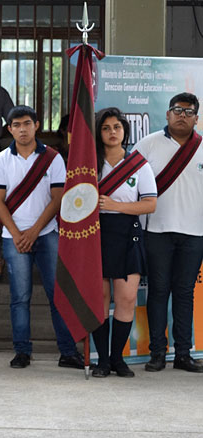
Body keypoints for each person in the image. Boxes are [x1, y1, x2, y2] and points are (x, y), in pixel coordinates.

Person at [0, 106, 83, 370]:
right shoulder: (0, 161)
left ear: (37, 125)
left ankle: (67, 352)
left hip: (47, 233)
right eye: (16, 125)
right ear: (9, 129)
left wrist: (33, 231)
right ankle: (22, 352)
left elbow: (58, 198)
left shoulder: (52, 158)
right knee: (20, 297)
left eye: (27, 123)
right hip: (13, 237)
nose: (22, 129)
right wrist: (18, 234)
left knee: (57, 295)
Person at [133, 92, 203, 373]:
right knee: (159, 292)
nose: (182, 115)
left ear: (196, 118)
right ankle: (157, 353)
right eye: (177, 110)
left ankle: (183, 354)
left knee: (185, 293)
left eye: (188, 112)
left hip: (195, 232)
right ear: (167, 114)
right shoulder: (147, 145)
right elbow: (129, 183)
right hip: (157, 230)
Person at [91, 108, 157, 378]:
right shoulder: (90, 163)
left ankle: (118, 359)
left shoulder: (139, 164)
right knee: (100, 300)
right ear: (99, 133)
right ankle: (103, 361)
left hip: (129, 235)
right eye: (106, 128)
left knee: (127, 299)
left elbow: (150, 204)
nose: (112, 132)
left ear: (125, 131)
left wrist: (115, 205)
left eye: (117, 127)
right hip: (97, 235)